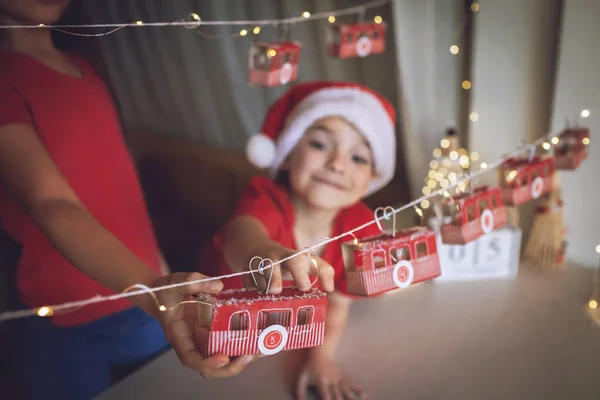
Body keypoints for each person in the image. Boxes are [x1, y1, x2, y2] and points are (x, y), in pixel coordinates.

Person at [0, 1, 256, 399]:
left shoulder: (88, 70)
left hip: (141, 300)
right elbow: (50, 202)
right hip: (61, 316)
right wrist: (154, 287)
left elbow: (123, 191)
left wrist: (162, 276)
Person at [201, 81, 397, 399]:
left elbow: (338, 302)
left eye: (358, 158)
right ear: (287, 155)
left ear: (370, 181)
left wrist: (321, 356)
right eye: (320, 144)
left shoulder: (359, 225)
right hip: (215, 320)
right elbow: (242, 234)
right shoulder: (266, 198)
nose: (337, 164)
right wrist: (264, 252)